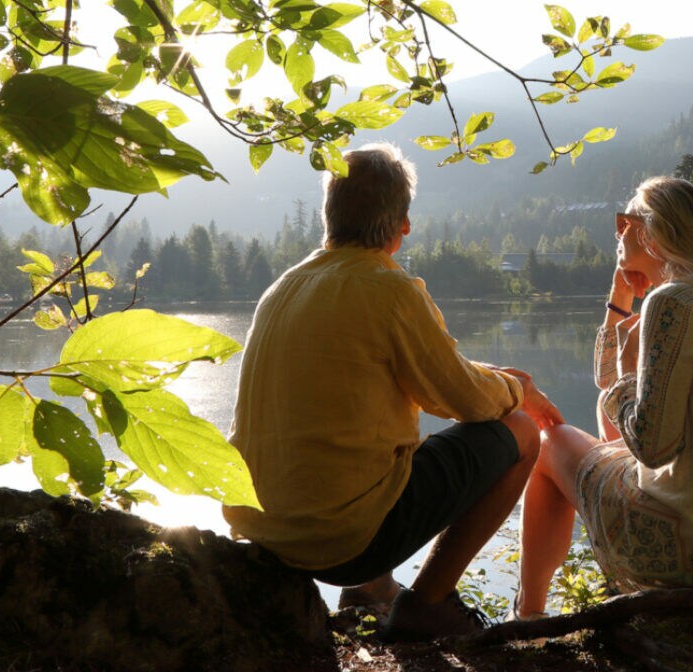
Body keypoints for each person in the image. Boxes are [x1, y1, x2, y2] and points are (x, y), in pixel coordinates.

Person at [222, 143, 563, 640]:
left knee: (373, 446)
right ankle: (428, 602)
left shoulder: (284, 288)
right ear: (402, 225)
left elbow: (441, 376)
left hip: (261, 528)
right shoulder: (389, 290)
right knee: (519, 433)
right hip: (339, 543)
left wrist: (487, 377)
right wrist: (520, 390)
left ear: (329, 215)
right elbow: (463, 400)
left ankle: (366, 591)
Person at [513, 176, 693, 619]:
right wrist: (619, 302)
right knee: (604, 407)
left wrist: (633, 372)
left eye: (625, 223)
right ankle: (612, 581)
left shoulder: (673, 304)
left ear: (653, 232)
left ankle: (528, 614)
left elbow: (653, 448)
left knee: (549, 443)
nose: (618, 234)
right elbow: (604, 381)